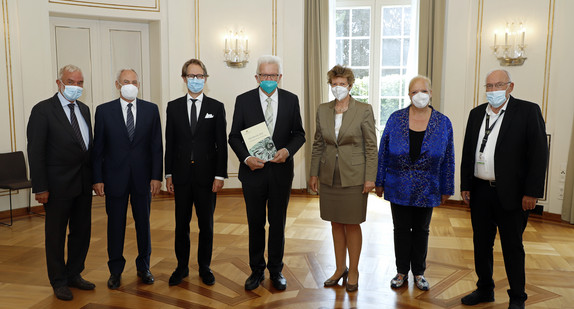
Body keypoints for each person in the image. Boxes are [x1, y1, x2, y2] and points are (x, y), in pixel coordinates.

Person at [460, 69, 547, 309]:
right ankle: (484, 289)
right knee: (481, 244)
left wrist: (532, 192)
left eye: (499, 85)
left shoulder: (528, 111)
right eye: (489, 86)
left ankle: (517, 297)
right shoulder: (476, 113)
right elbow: (469, 150)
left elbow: (539, 155)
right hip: (480, 192)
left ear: (510, 86)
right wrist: (465, 184)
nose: (493, 90)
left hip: (514, 195)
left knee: (512, 247)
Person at [229, 55, 305, 291]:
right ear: (257, 77)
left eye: (273, 75)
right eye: (264, 75)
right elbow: (234, 136)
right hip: (253, 174)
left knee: (277, 224)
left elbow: (299, 134)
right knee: (255, 224)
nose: (269, 79)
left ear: (280, 77)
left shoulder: (291, 100)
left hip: (281, 173)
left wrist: (287, 151)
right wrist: (247, 158)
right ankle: (256, 270)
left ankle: (276, 270)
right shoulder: (243, 101)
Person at [375, 75, 454, 291]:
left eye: (424, 90)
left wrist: (447, 187)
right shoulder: (395, 118)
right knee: (400, 229)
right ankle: (401, 272)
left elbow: (448, 157)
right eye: (414, 91)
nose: (419, 95)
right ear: (408, 95)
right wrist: (379, 181)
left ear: (431, 93)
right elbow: (383, 153)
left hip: (428, 187)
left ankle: (419, 272)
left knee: (422, 230)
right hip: (398, 184)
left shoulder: (443, 122)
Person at [27, 64, 95, 301]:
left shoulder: (85, 109)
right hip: (56, 187)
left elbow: (87, 148)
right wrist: (41, 187)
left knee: (82, 232)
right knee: (55, 235)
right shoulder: (43, 110)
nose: (75, 87)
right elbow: (36, 152)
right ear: (59, 83)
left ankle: (74, 273)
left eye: (80, 83)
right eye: (70, 81)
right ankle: (58, 281)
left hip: (83, 185)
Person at [92, 69, 163, 289]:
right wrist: (98, 178)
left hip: (143, 179)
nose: (130, 85)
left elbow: (156, 146)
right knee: (115, 226)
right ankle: (115, 271)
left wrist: (156, 176)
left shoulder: (151, 110)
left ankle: (144, 267)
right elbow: (98, 149)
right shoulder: (103, 111)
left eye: (133, 81)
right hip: (114, 179)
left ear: (138, 85)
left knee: (144, 224)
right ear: (117, 84)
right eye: (125, 81)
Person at [308, 65, 377, 292]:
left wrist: (370, 178)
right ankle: (340, 268)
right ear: (330, 85)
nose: (338, 88)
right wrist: (313, 173)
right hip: (329, 175)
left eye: (342, 84)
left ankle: (354, 270)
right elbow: (318, 143)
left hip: (355, 176)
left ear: (350, 85)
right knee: (335, 222)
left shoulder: (363, 110)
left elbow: (371, 146)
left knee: (352, 223)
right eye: (334, 84)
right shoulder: (322, 109)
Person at [165, 59, 228, 286]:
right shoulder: (173, 107)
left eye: (200, 76)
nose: (195, 80)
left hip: (207, 178)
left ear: (205, 79)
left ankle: (204, 267)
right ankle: (181, 267)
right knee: (181, 224)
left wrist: (220, 176)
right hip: (180, 177)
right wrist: (168, 174)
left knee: (206, 225)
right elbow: (169, 143)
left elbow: (221, 144)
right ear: (184, 79)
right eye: (191, 76)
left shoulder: (216, 107)